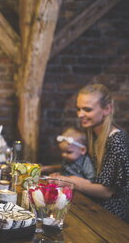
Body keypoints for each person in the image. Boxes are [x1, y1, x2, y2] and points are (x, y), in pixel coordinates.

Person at [55, 84, 129, 223]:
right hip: (93, 205)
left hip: (112, 216)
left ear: (107, 109)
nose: (80, 114)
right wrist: (50, 170)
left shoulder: (116, 140)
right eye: (78, 109)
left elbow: (106, 192)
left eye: (87, 109)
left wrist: (71, 181)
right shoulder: (93, 133)